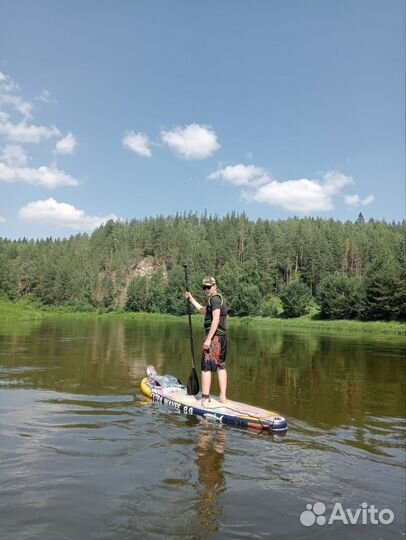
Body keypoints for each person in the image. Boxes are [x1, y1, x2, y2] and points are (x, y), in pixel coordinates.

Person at [185, 276, 228, 406]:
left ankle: (204, 399)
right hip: (222, 338)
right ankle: (223, 397)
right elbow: (201, 310)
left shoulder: (214, 300)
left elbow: (215, 320)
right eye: (204, 287)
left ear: (215, 286)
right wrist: (191, 299)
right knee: (221, 366)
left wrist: (208, 339)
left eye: (208, 287)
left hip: (214, 338)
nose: (206, 290)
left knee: (205, 367)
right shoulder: (217, 299)